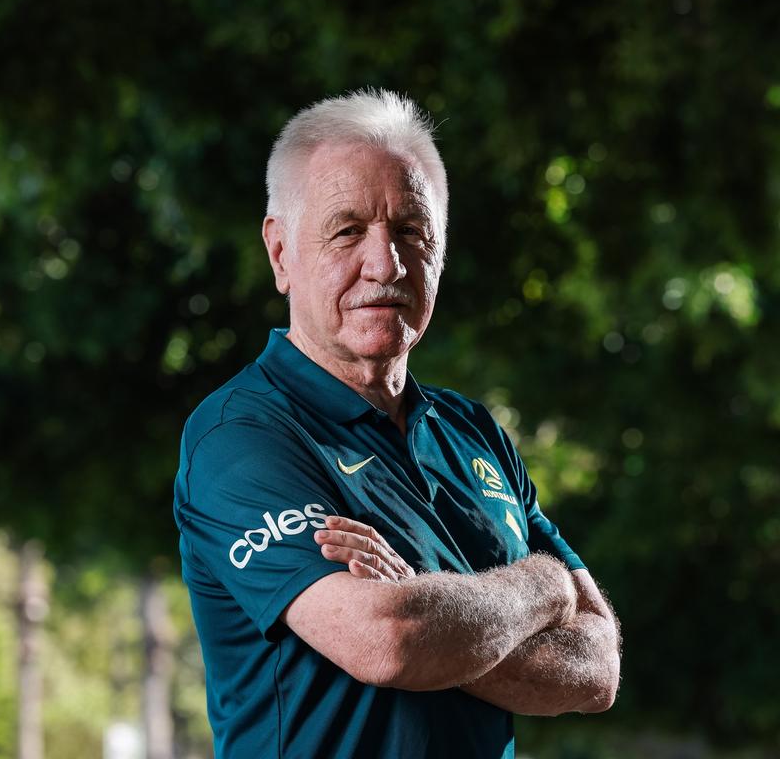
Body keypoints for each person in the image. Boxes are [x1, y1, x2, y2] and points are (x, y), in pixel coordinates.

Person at [173, 89, 620, 759]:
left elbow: (595, 668)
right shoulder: (239, 438)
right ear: (280, 252)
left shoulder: (475, 433)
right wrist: (542, 584)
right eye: (347, 230)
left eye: (411, 231)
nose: (385, 265)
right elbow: (389, 643)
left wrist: (430, 611)